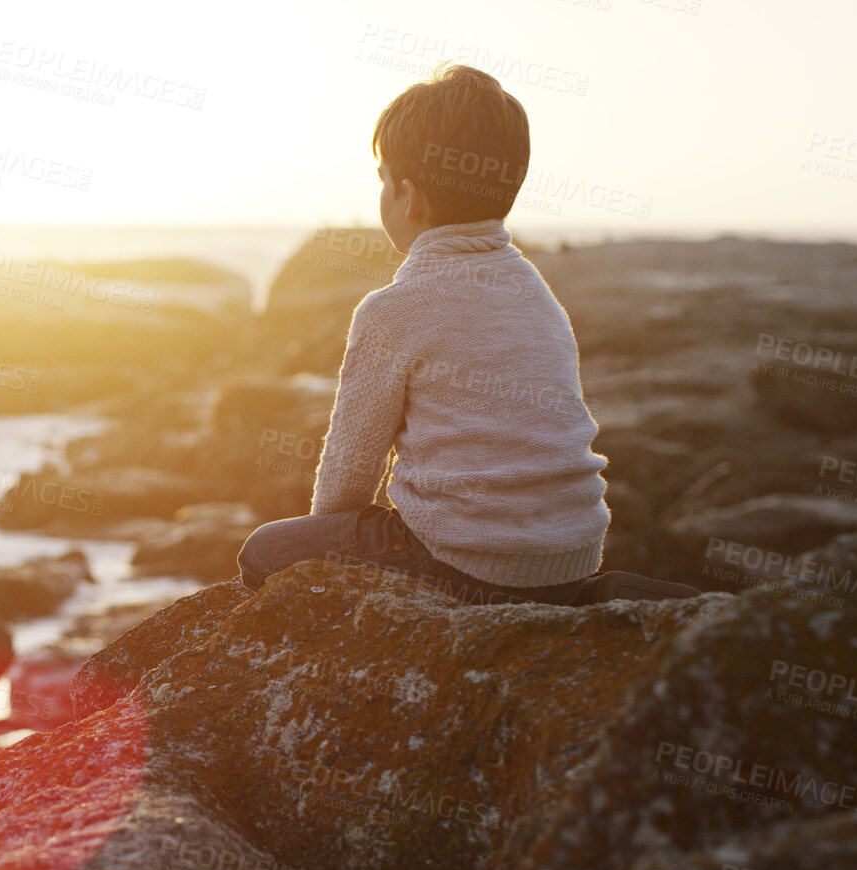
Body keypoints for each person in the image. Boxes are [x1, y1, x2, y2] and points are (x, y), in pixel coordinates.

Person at [237, 64, 696, 605]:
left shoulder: (393, 310)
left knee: (261, 551)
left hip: (462, 558)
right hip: (569, 556)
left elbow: (347, 479)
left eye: (383, 179)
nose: (381, 195)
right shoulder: (538, 295)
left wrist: (325, 557)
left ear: (410, 198)